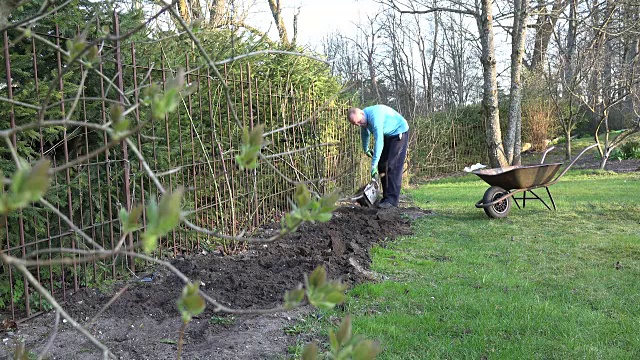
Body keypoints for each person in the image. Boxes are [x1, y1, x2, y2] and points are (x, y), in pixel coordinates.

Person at [347, 105, 409, 209]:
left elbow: (379, 142)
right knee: (382, 165)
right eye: (356, 124)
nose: (359, 124)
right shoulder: (364, 120)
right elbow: (365, 134)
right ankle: (386, 198)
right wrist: (366, 148)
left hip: (399, 132)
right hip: (388, 134)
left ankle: (392, 200)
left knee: (392, 165)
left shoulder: (375, 117)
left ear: (362, 113)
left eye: (359, 121)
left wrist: (373, 165)